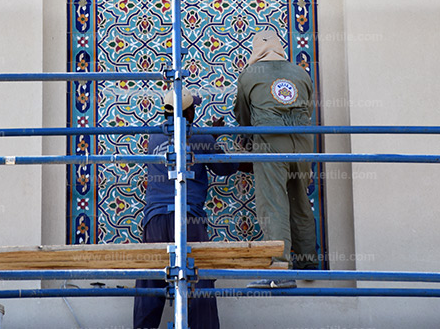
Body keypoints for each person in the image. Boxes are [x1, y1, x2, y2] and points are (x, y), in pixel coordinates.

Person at [133, 86, 239, 329]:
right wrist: (216, 139)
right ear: (189, 113)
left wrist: (207, 138)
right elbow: (224, 168)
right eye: (193, 109)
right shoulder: (199, 137)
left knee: (151, 279)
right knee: (198, 278)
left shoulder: (154, 138)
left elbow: (182, 147)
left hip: (155, 220)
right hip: (188, 218)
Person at [234, 28, 318, 286]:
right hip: (303, 144)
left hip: (270, 143)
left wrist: (249, 142)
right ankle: (308, 261)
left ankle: (280, 268)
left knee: (274, 204)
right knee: (300, 200)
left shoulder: (249, 75)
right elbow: (309, 108)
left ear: (256, 50)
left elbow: (243, 116)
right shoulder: (300, 73)